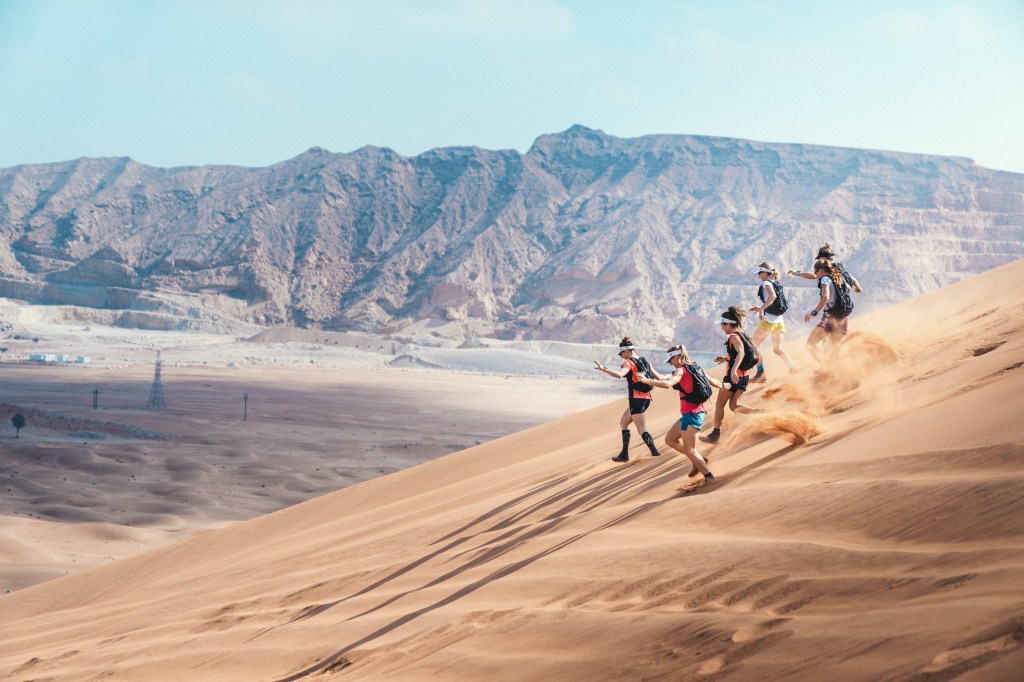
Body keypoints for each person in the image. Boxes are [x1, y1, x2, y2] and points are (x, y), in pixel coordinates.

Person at [646, 344, 722, 481]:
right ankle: (699, 460)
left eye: (670, 361)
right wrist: (724, 385)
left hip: (691, 415)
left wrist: (646, 380)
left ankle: (709, 477)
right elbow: (714, 382)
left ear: (676, 357)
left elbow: (668, 384)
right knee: (670, 440)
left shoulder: (681, 370)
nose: (670, 364)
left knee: (690, 450)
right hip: (691, 414)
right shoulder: (696, 367)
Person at [593, 337, 662, 462]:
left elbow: (620, 374)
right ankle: (624, 454)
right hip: (646, 398)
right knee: (623, 423)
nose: (621, 356)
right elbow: (658, 377)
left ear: (627, 351)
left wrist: (603, 369)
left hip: (637, 399)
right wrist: (672, 377)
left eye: (621, 353)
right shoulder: (645, 361)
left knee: (642, 429)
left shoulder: (628, 362)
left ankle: (656, 454)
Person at [700, 306, 761, 444]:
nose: (722, 327)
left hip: (733, 377)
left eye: (723, 324)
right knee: (733, 406)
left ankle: (715, 435)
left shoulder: (733, 336)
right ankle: (759, 413)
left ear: (728, 324)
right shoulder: (741, 333)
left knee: (719, 404)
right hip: (744, 377)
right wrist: (726, 358)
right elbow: (737, 354)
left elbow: (741, 353)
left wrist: (733, 370)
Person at [748, 262, 796, 383]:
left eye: (760, 273)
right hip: (779, 320)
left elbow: (772, 297)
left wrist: (761, 310)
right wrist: (760, 308)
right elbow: (773, 301)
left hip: (769, 321)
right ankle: (793, 367)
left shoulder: (766, 283)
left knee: (754, 346)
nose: (759, 276)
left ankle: (761, 373)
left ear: (764, 273)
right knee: (778, 348)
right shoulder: (775, 283)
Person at [803, 260, 855, 359]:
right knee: (831, 349)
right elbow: (848, 288)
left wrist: (813, 313)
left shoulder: (825, 279)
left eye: (816, 272)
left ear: (821, 271)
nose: (815, 275)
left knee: (810, 345)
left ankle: (825, 367)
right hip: (843, 317)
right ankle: (837, 369)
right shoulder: (838, 277)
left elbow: (825, 298)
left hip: (831, 318)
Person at [788, 242, 863, 293]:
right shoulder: (839, 267)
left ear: (823, 258)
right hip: (845, 303)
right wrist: (858, 288)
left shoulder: (826, 269)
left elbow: (814, 276)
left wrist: (796, 273)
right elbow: (853, 279)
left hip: (834, 305)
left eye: (819, 259)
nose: (819, 261)